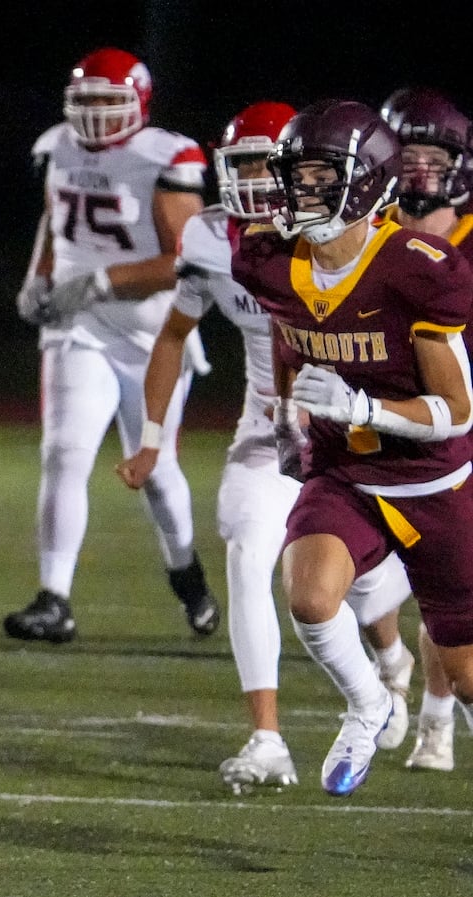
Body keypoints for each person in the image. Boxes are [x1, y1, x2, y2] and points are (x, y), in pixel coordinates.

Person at [115, 101, 417, 792]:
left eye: (265, 163)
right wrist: (155, 438)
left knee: (367, 584)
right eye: (242, 164)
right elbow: (173, 332)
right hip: (272, 424)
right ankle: (268, 736)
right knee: (253, 552)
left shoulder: (356, 231)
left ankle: (392, 658)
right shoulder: (215, 239)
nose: (253, 179)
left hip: (364, 425)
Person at [231, 98, 473, 797]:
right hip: (345, 473)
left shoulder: (416, 266)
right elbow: (288, 329)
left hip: (433, 482)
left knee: (463, 675)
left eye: (315, 177)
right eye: (293, 176)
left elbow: (456, 412)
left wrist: (365, 405)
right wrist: (284, 414)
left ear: (365, 183)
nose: (295, 192)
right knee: (308, 595)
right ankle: (369, 705)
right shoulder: (272, 261)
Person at [6, 47, 221, 645]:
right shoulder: (57, 147)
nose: (97, 114)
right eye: (88, 101)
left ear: (138, 104)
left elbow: (188, 255)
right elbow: (56, 221)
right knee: (64, 451)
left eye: (110, 101)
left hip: (156, 334)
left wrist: (103, 280)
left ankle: (188, 576)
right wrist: (38, 276)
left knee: (157, 471)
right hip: (81, 327)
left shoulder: (165, 157)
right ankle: (54, 597)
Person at [379, 86, 473, 772]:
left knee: (450, 587)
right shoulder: (369, 234)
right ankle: (390, 674)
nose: (416, 169)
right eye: (403, 154)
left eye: (430, 156)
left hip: (463, 421)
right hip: (400, 424)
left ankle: (436, 723)